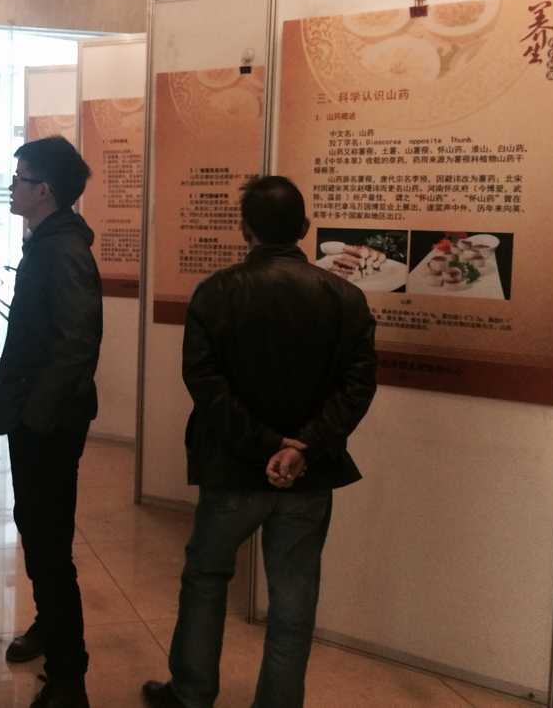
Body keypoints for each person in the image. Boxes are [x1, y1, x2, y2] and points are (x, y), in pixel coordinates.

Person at [142, 176, 377, 708]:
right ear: (304, 227)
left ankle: (191, 693)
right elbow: (357, 387)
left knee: (206, 578)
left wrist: (264, 443)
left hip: (233, 465)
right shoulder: (345, 297)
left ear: (244, 228)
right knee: (294, 600)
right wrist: (300, 447)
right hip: (308, 473)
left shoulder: (216, 292)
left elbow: (205, 383)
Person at [0, 136, 103, 708]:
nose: (12, 187)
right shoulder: (46, 241)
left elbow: (78, 344)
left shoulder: (64, 252)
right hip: (38, 414)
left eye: (20, 178)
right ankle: (49, 624)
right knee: (34, 525)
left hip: (50, 423)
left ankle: (69, 675)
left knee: (49, 540)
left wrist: (34, 413)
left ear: (44, 190)